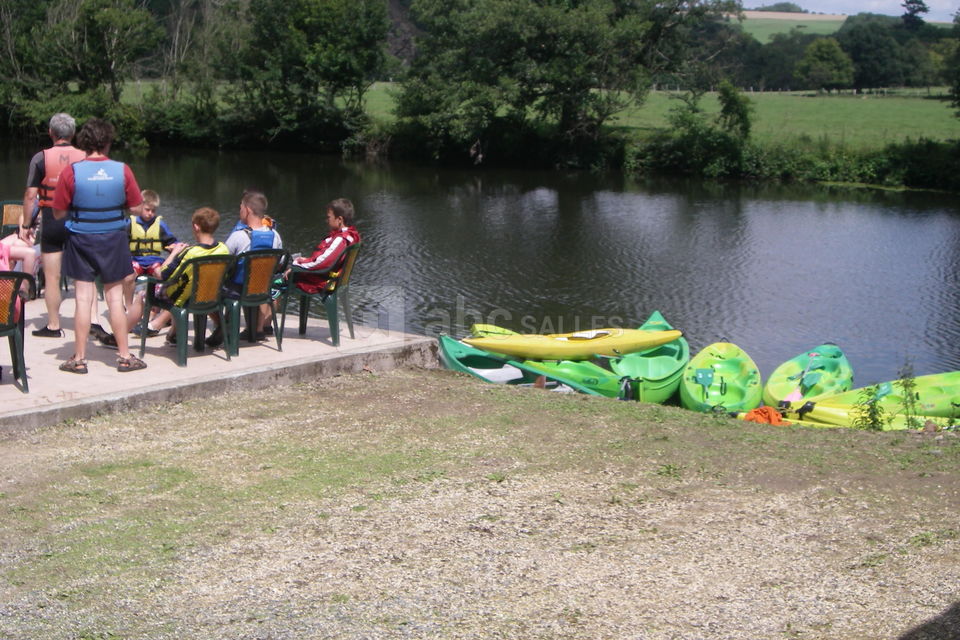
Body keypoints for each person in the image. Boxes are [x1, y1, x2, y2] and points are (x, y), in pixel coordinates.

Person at [52, 118, 147, 374]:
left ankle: (79, 359)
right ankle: (125, 357)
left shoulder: (71, 172)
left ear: (83, 142)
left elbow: (58, 213)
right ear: (107, 142)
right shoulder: (122, 169)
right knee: (115, 298)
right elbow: (138, 208)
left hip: (81, 239)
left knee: (83, 298)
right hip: (113, 239)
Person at [20, 113, 107, 340]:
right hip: (80, 220)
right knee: (86, 275)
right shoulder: (86, 157)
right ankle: (94, 322)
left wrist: (27, 224)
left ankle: (53, 325)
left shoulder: (40, 158)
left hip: (52, 220)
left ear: (51, 133)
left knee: (52, 277)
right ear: (73, 134)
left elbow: (30, 195)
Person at [119, 207, 228, 345]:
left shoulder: (190, 253)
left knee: (142, 294)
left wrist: (174, 252)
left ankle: (119, 336)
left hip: (183, 298)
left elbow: (162, 275)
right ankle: (173, 335)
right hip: (209, 295)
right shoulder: (224, 249)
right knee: (185, 288)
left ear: (196, 227)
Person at [205, 189, 282, 346]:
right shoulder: (275, 236)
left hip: (238, 290)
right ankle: (234, 327)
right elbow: (279, 264)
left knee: (206, 288)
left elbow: (221, 262)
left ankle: (223, 326)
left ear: (247, 210)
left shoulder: (239, 236)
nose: (239, 211)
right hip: (262, 290)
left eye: (240, 208)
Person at [289, 198, 361, 294]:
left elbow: (322, 262)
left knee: (276, 280)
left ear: (339, 219)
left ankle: (270, 307)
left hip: (323, 282)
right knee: (286, 270)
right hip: (332, 279)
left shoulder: (340, 240)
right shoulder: (350, 236)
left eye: (328, 217)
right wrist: (304, 261)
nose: (326, 220)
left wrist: (297, 263)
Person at [125, 189, 177, 303]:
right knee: (129, 276)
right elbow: (122, 242)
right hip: (136, 260)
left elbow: (171, 241)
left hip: (154, 261)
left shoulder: (160, 225)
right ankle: (128, 305)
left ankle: (157, 303)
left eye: (153, 211)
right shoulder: (130, 223)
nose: (150, 213)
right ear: (140, 207)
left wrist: (174, 246)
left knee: (160, 274)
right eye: (147, 210)